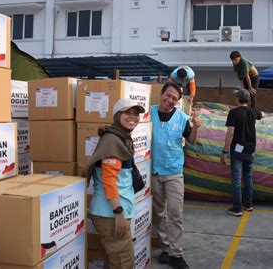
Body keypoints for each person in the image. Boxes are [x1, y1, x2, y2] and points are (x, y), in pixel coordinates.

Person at [83, 99, 145, 269]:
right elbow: (108, 180)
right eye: (128, 113)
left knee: (115, 261)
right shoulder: (112, 140)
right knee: (123, 262)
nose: (133, 117)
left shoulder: (122, 139)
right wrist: (118, 213)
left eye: (136, 114)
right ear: (118, 116)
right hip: (110, 213)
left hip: (116, 211)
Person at [151, 82, 202, 269]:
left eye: (175, 98)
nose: (170, 100)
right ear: (162, 93)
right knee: (158, 213)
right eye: (169, 95)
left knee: (175, 214)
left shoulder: (182, 118)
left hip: (173, 173)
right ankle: (166, 248)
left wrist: (196, 127)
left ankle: (176, 254)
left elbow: (192, 141)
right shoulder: (148, 113)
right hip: (154, 172)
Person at [220, 89, 263, 216]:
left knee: (237, 180)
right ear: (248, 100)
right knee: (248, 178)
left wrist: (224, 151)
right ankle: (248, 205)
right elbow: (262, 115)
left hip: (237, 152)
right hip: (250, 151)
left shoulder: (233, 113)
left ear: (237, 99)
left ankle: (237, 208)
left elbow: (230, 133)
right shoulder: (253, 111)